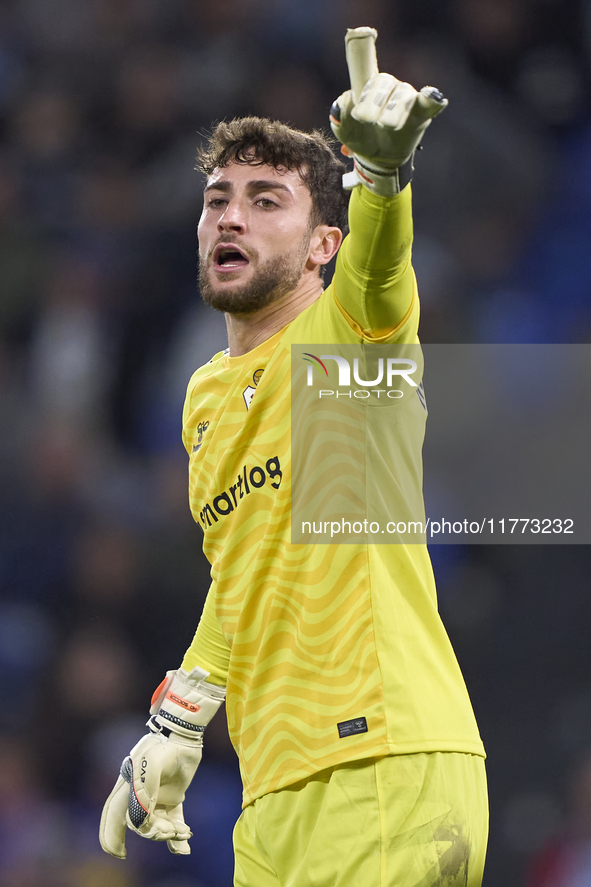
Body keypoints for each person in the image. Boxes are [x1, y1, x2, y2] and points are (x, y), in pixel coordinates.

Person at [100, 27, 488, 887]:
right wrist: (181, 717)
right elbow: (237, 571)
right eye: (217, 199)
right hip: (272, 789)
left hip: (383, 759)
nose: (230, 215)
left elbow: (382, 265)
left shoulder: (349, 332)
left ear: (323, 246)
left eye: (266, 199)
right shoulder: (203, 397)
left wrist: (381, 181)